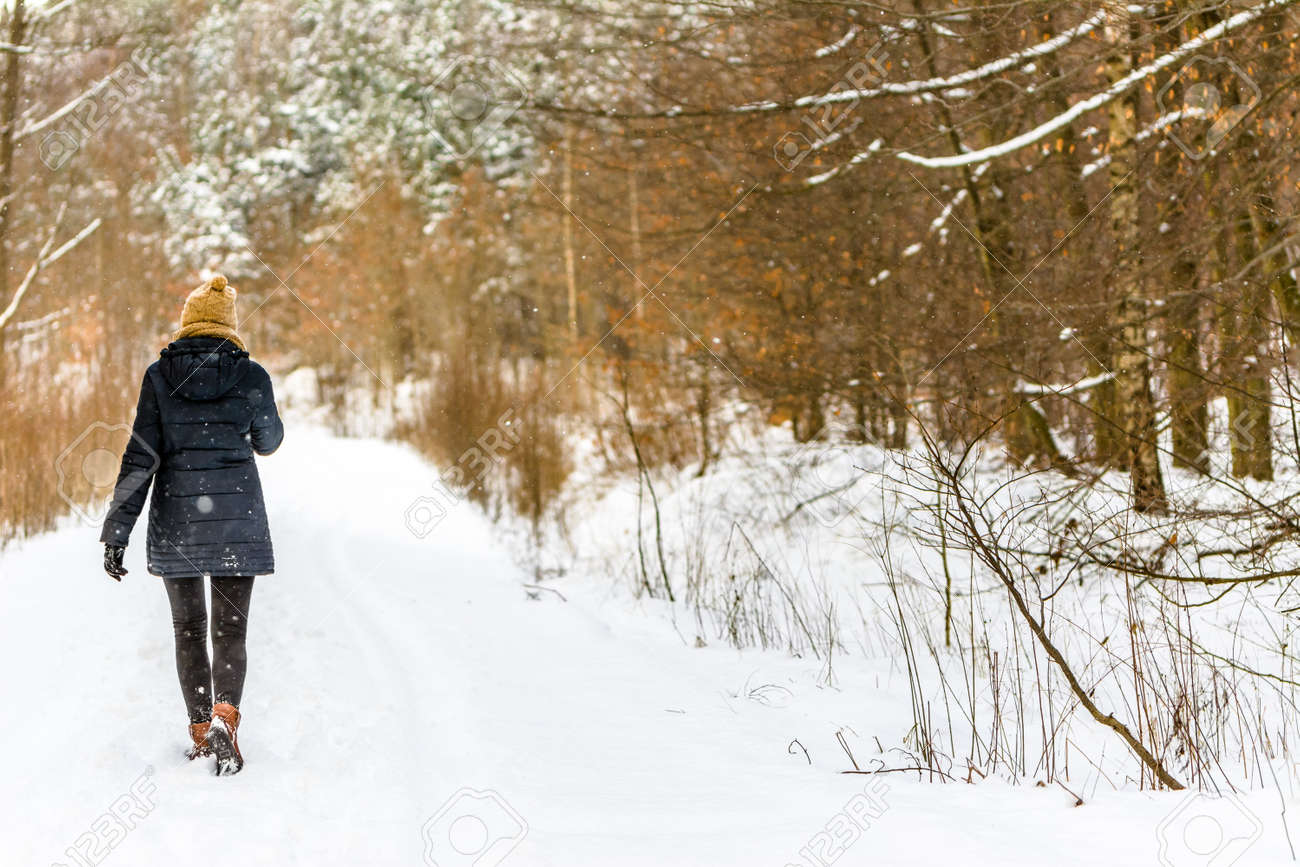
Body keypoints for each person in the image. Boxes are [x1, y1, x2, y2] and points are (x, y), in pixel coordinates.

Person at [100, 274, 283, 776]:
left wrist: (118, 532)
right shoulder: (252, 377)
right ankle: (227, 715)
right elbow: (268, 441)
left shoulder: (160, 377)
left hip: (178, 522)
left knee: (188, 630)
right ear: (229, 325)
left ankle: (202, 730)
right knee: (230, 630)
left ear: (187, 323)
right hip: (237, 522)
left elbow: (141, 457)